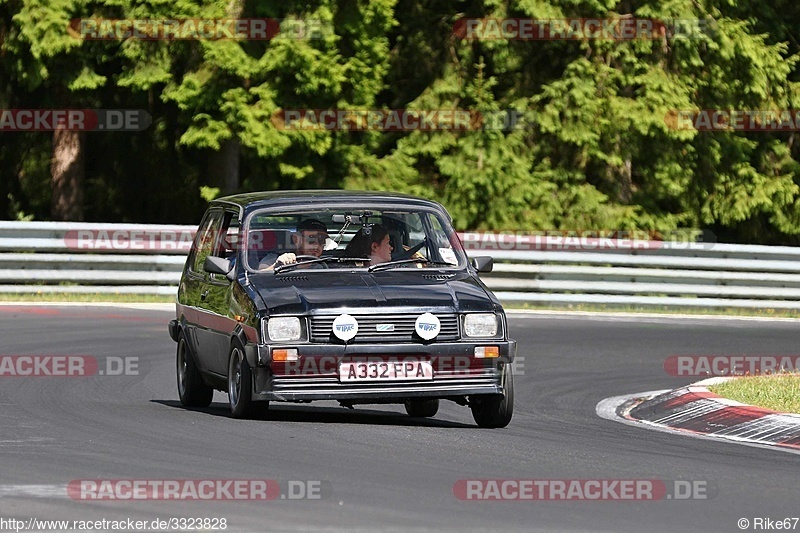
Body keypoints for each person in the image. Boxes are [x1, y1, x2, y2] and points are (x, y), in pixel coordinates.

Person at [258, 218, 329, 271]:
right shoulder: (274, 258)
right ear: (296, 239)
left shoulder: (327, 264)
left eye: (321, 240)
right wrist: (276, 266)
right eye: (311, 239)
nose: (316, 245)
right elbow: (258, 277)